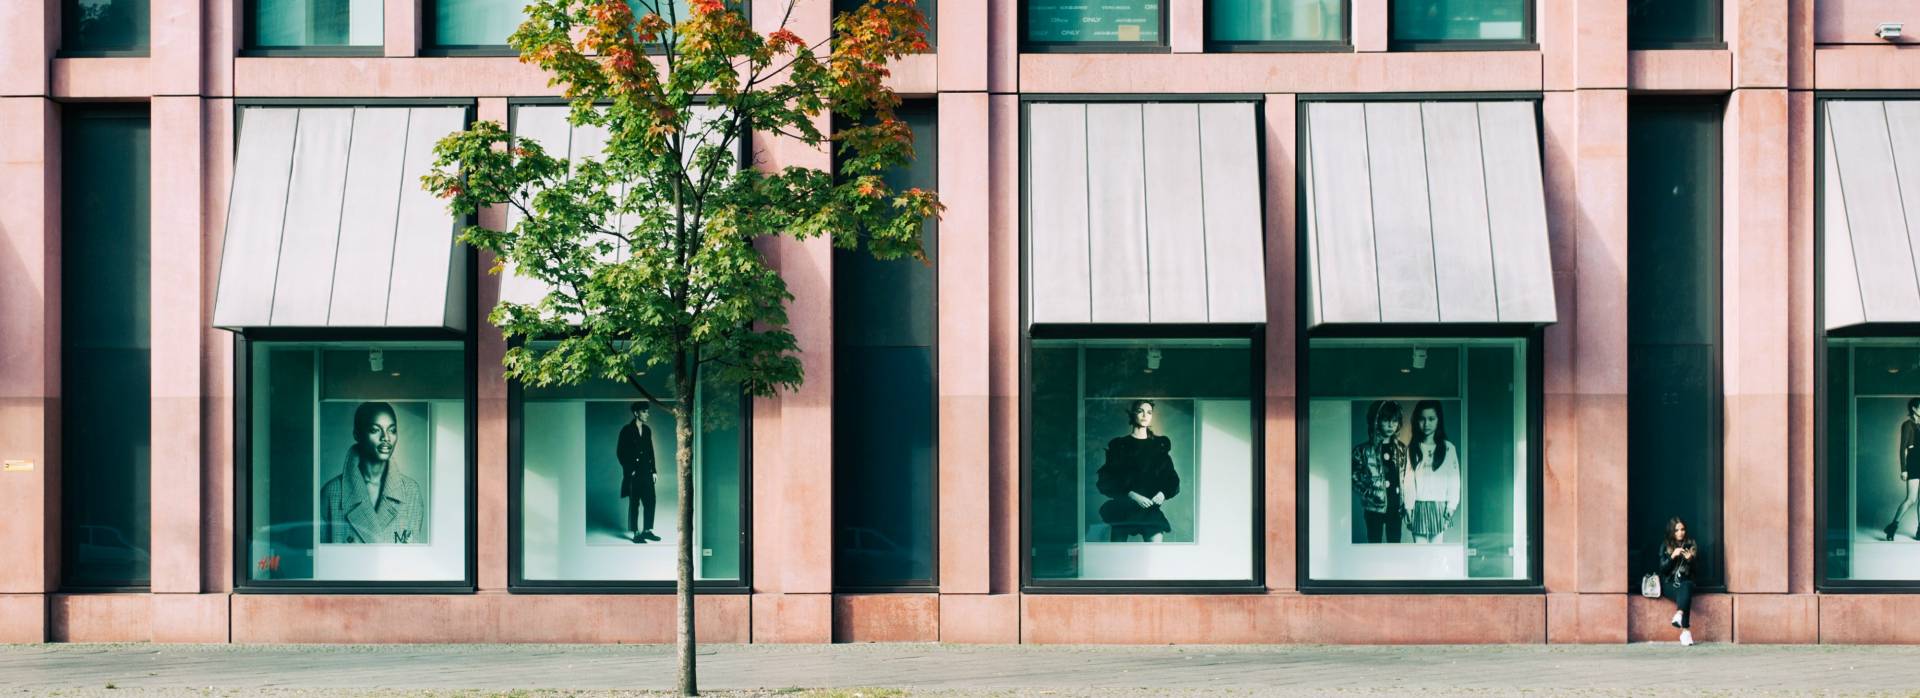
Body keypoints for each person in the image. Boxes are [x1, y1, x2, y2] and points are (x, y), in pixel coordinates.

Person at [319, 402, 426, 544]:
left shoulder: (411, 491)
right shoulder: (332, 492)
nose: (386, 438)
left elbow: (415, 559)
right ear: (357, 434)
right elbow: (323, 558)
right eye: (375, 430)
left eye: (392, 430)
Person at [1095, 400, 1180, 543]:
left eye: (1149, 412)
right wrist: (1132, 495)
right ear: (1132, 414)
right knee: (1118, 556)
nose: (1145, 415)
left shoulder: (1159, 446)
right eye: (1140, 411)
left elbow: (1171, 478)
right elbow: (1107, 479)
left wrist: (1163, 493)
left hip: (1150, 510)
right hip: (1124, 509)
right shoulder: (1120, 445)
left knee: (1155, 554)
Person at [1400, 400, 1461, 544]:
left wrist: (1452, 505)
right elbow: (1408, 480)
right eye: (1422, 419)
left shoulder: (1448, 448)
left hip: (1439, 505)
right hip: (1419, 505)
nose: (1426, 424)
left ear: (1439, 420)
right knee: (1420, 552)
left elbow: (1454, 479)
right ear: (1417, 421)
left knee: (1436, 551)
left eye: (1431, 419)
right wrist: (1408, 506)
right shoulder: (1413, 448)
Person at [1351, 400, 1408, 543]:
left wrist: (1405, 504)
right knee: (1374, 543)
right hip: (1374, 509)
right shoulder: (1362, 451)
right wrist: (1371, 494)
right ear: (1376, 421)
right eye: (1386, 420)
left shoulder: (1402, 449)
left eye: (1394, 421)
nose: (1391, 425)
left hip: (1396, 508)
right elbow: (1354, 478)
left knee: (1395, 546)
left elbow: (1407, 477)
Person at [618, 401, 660, 544]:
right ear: (636, 413)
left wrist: (654, 470)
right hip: (634, 473)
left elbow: (650, 451)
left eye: (647, 411)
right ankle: (636, 533)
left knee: (650, 500)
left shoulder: (647, 430)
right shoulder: (626, 430)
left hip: (647, 472)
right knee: (634, 502)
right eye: (644, 411)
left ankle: (647, 530)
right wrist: (630, 470)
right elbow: (620, 452)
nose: (647, 414)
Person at [1656, 516, 1701, 646]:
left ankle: (1679, 614)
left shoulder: (1691, 545)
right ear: (1672, 532)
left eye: (1682, 529)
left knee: (1685, 586)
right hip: (1669, 584)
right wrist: (1672, 557)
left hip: (1686, 583)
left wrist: (1690, 560)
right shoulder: (1665, 545)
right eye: (1677, 530)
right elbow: (1662, 570)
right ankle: (1686, 631)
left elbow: (1697, 571)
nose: (1680, 532)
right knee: (1684, 595)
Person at [1882, 398, 1920, 541]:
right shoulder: (1907, 425)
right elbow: (1902, 448)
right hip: (1914, 462)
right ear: (1914, 409)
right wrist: (1903, 469)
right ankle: (1892, 526)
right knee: (1911, 499)